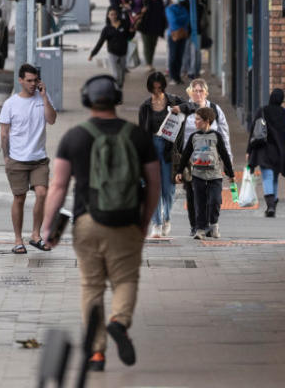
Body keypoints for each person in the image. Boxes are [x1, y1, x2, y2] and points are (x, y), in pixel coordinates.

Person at [41, 75, 159, 372]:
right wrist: (145, 220)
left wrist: (47, 228)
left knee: (91, 286)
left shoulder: (74, 137)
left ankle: (96, 353)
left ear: (86, 100)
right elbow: (155, 185)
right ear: (117, 99)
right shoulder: (137, 136)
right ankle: (119, 321)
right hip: (127, 221)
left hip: (87, 222)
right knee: (126, 280)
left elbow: (58, 187)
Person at [0, 63, 57, 254]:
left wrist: (45, 97)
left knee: (41, 193)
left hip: (39, 159)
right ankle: (17, 240)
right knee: (19, 198)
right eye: (29, 81)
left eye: (35, 80)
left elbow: (52, 119)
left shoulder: (42, 99)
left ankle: (35, 235)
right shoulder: (10, 104)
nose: (33, 84)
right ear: (21, 80)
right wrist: (7, 158)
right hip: (17, 159)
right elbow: (4, 133)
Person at [176, 78, 232, 236]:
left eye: (201, 91)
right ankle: (196, 226)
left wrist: (229, 162)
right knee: (193, 194)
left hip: (212, 159)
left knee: (211, 196)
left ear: (206, 93)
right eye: (195, 91)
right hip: (190, 159)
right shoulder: (184, 109)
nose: (198, 94)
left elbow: (224, 135)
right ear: (190, 92)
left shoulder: (214, 109)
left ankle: (209, 223)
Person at [138, 72, 186, 238]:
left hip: (168, 149)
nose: (157, 91)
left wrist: (180, 108)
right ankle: (156, 223)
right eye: (153, 88)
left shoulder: (174, 101)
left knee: (168, 189)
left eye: (159, 88)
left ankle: (167, 218)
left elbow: (192, 108)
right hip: (151, 149)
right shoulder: (145, 106)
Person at [246, 88, 285, 218]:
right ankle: (273, 203)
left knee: (267, 177)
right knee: (274, 177)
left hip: (264, 150)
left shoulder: (262, 111)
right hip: (280, 152)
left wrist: (249, 150)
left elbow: (254, 131)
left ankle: (270, 205)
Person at [89, 6, 135, 88]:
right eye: (111, 15)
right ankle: (116, 91)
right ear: (108, 16)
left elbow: (129, 37)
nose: (113, 16)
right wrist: (92, 54)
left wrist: (132, 32)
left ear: (118, 15)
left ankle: (119, 89)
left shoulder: (124, 25)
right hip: (112, 53)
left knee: (122, 76)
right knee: (116, 75)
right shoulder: (107, 29)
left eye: (115, 14)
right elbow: (100, 43)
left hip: (123, 53)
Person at [136, 0, 167, 73]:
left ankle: (150, 62)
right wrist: (141, 11)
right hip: (145, 26)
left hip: (156, 26)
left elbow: (162, 12)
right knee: (147, 45)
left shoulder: (159, 0)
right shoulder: (143, 0)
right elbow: (136, 9)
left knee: (153, 45)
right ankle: (148, 63)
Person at [165, 0, 190, 85]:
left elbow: (187, 18)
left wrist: (179, 18)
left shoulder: (182, 8)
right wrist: (181, 19)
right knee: (173, 56)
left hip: (183, 34)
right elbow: (173, 21)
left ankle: (178, 77)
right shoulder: (169, 9)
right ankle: (172, 77)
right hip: (173, 35)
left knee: (180, 56)